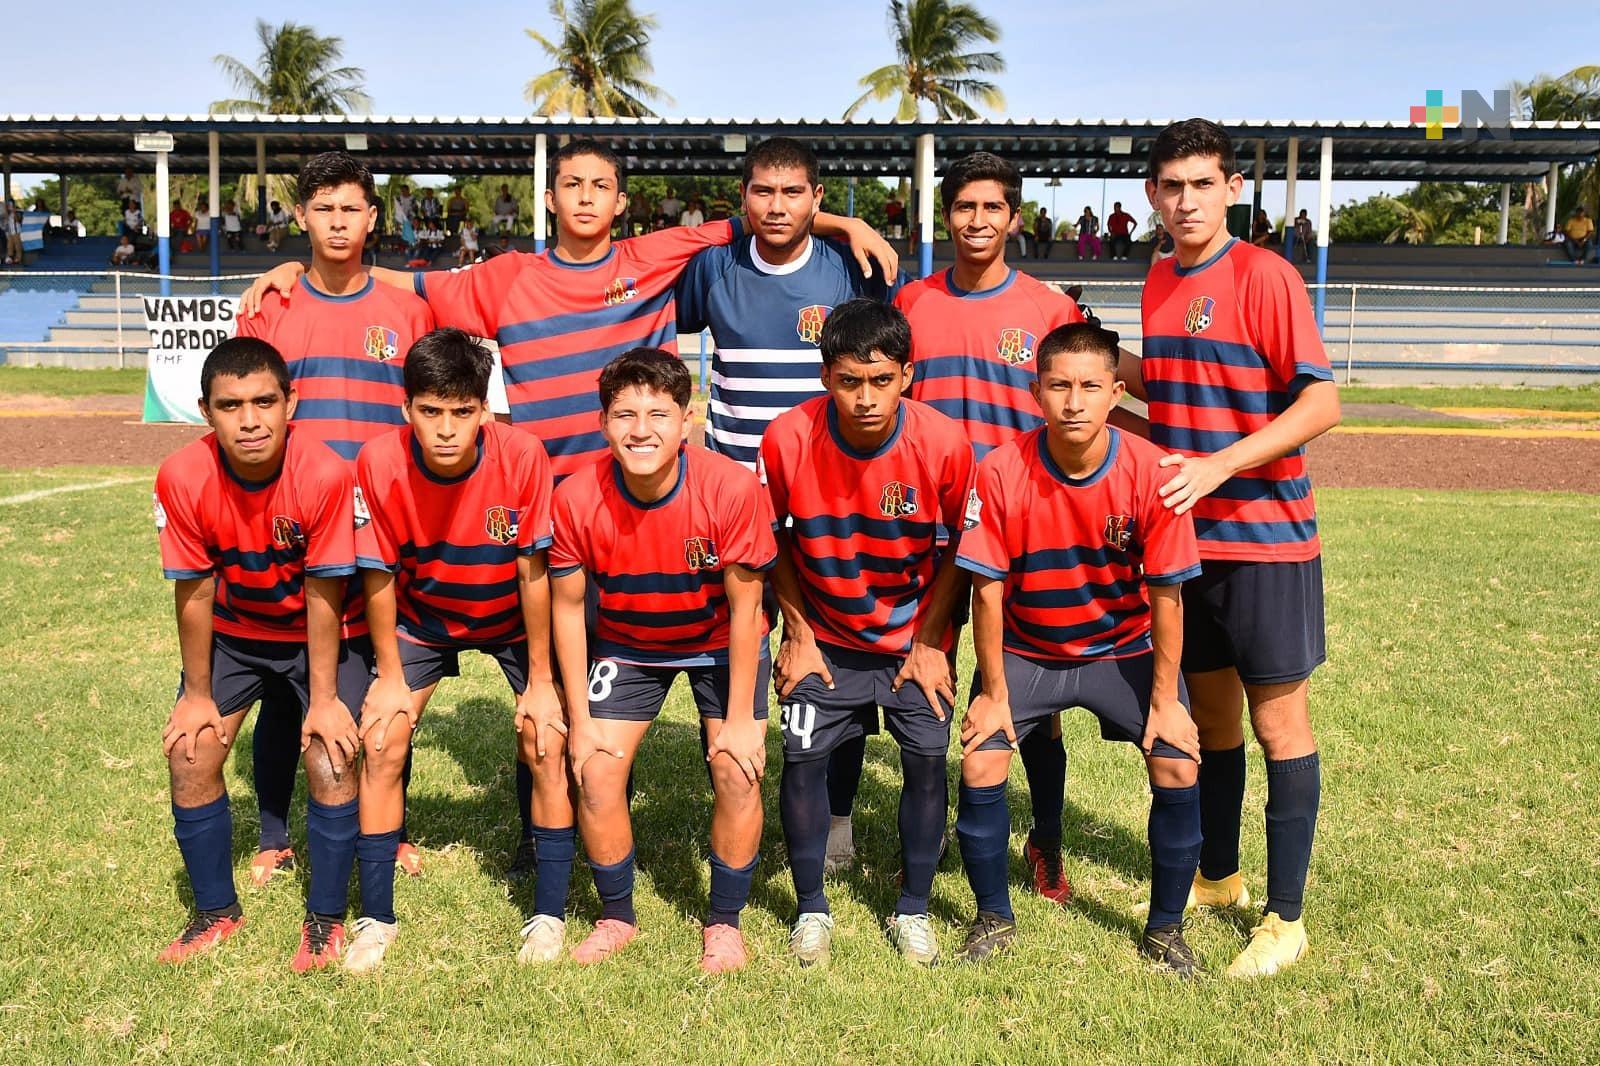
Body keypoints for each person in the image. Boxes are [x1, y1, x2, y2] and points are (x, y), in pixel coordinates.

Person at [240, 137, 893, 878]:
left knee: (640, 658)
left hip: (646, 507)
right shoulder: (508, 277)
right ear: (549, 198)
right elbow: (414, 284)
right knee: (552, 673)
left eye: (600, 185)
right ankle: (542, 830)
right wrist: (304, 268)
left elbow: (768, 217)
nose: (585, 196)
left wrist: (845, 223)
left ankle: (664, 799)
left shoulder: (653, 259)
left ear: (621, 201)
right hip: (550, 516)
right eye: (571, 184)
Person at [1132, 117, 1341, 979]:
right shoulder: (1157, 280)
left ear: (1232, 188)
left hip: (1267, 544)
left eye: (1202, 184)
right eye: (1171, 186)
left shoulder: (1266, 274)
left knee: (1277, 723)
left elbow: (1321, 403)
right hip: (1187, 545)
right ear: (1152, 194)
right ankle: (1219, 876)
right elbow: (1177, 393)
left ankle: (1285, 918)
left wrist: (1220, 464)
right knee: (1212, 720)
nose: (1186, 201)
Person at [953, 322, 1204, 971]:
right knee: (981, 759)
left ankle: (1165, 931)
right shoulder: (1000, 469)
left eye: (1090, 387)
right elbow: (986, 593)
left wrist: (1167, 702)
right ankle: (993, 918)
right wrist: (993, 694)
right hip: (1029, 649)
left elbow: (1169, 597)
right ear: (1035, 392)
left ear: (1116, 393)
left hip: (1121, 649)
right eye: (1059, 386)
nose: (1073, 402)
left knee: (1178, 760)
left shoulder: (1152, 471)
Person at [893, 151, 1100, 910]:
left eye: (992, 208)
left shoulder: (1049, 307)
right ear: (945, 215)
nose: (977, 221)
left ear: (1014, 218)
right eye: (964, 207)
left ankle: (1045, 838)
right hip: (927, 525)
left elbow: (1089, 397)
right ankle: (931, 831)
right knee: (928, 679)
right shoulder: (911, 302)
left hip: (1022, 527)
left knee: (1029, 698)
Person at [235, 151, 436, 886]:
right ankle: (273, 833)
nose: (338, 222)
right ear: (301, 217)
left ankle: (393, 825)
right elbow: (247, 416)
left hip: (384, 524)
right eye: (323, 209)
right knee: (285, 678)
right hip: (293, 524)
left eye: (351, 208)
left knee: (385, 679)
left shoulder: (409, 312)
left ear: (372, 217)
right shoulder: (271, 307)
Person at [761, 299, 976, 968]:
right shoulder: (787, 438)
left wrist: (931, 641)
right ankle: (810, 908)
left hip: (913, 639)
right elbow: (771, 540)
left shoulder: (944, 443)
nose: (865, 398)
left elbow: (961, 547)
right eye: (849, 381)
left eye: (881, 380)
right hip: (823, 637)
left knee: (926, 760)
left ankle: (914, 908)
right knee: (801, 759)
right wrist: (798, 632)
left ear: (907, 375)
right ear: (825, 375)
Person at [545, 349, 776, 972]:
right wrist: (580, 719)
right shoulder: (575, 496)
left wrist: (740, 720)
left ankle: (724, 922)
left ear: (687, 419)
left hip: (719, 641)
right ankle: (617, 915)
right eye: (624, 415)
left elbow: (747, 610)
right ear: (602, 423)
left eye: (658, 414)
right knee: (595, 769)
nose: (640, 430)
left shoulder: (730, 488)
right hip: (629, 644)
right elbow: (567, 608)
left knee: (736, 769)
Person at [153, 337, 369, 972]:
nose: (249, 420)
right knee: (191, 751)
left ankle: (325, 919)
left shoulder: (324, 472)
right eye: (230, 406)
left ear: (290, 403)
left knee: (330, 757)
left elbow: (324, 594)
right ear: (205, 411)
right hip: (237, 635)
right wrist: (197, 696)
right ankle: (215, 912)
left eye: (264, 402)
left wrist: (324, 701)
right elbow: (195, 592)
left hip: (322, 635)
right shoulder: (182, 475)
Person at [347, 328, 558, 973]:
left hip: (511, 618)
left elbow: (533, 572)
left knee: (545, 735)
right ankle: (376, 917)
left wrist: (541, 680)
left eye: (462, 412)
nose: (445, 429)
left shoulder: (523, 455)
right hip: (423, 619)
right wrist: (388, 675)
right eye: (430, 411)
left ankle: (546, 900)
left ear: (485, 411)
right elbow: (378, 574)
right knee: (381, 737)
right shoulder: (377, 461)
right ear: (406, 407)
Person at [676, 136, 896, 471]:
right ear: (743, 195)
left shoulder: (855, 266)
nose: (777, 207)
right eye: (763, 192)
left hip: (825, 477)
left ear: (816, 197)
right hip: (736, 476)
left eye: (793, 192)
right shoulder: (714, 266)